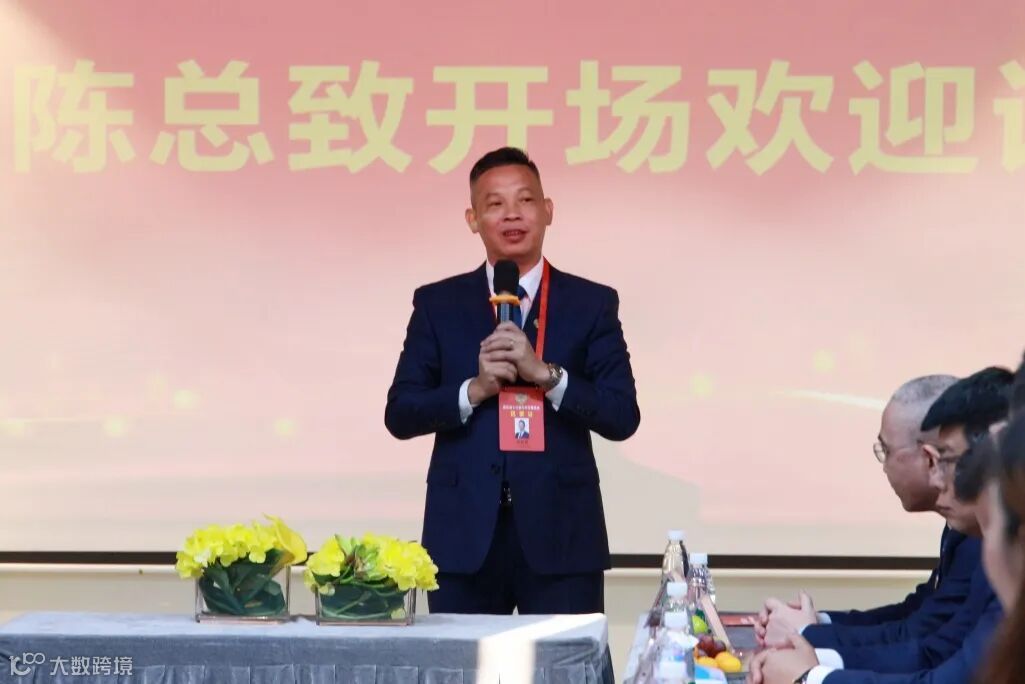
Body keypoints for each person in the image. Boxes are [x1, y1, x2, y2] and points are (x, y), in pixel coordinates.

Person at [384, 147, 640, 615]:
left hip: (563, 536)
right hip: (463, 536)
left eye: (525, 200)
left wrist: (545, 375)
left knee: (566, 659)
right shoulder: (438, 304)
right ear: (473, 219)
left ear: (548, 210)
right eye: (495, 203)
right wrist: (474, 390)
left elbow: (622, 415)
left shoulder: (591, 303)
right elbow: (401, 413)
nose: (512, 214)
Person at [749, 368, 1013, 683]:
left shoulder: (994, 543)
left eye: (944, 460)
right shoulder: (981, 533)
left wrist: (810, 674)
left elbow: (942, 663)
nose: (936, 479)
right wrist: (811, 643)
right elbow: (930, 632)